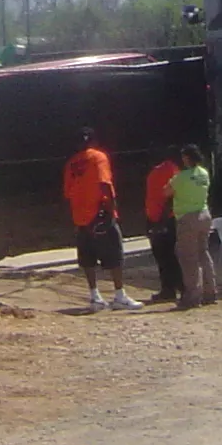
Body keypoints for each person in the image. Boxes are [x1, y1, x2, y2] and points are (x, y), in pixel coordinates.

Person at [63, 127, 140, 311]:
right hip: (100, 214)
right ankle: (119, 295)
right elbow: (104, 183)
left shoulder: (71, 163)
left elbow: (68, 193)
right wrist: (112, 210)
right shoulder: (99, 157)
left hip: (80, 218)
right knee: (115, 256)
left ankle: (95, 297)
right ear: (94, 141)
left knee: (87, 259)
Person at [169, 142, 217, 309]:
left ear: (186, 158)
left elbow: (166, 191)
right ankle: (210, 292)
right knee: (203, 252)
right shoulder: (204, 173)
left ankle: (193, 296)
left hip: (187, 217)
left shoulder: (181, 177)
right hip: (204, 214)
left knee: (189, 258)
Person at [142, 146, 184, 304]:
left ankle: (178, 287)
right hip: (158, 217)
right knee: (163, 255)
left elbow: (171, 195)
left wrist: (161, 220)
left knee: (168, 255)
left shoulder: (169, 170)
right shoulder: (166, 170)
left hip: (164, 218)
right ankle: (169, 288)